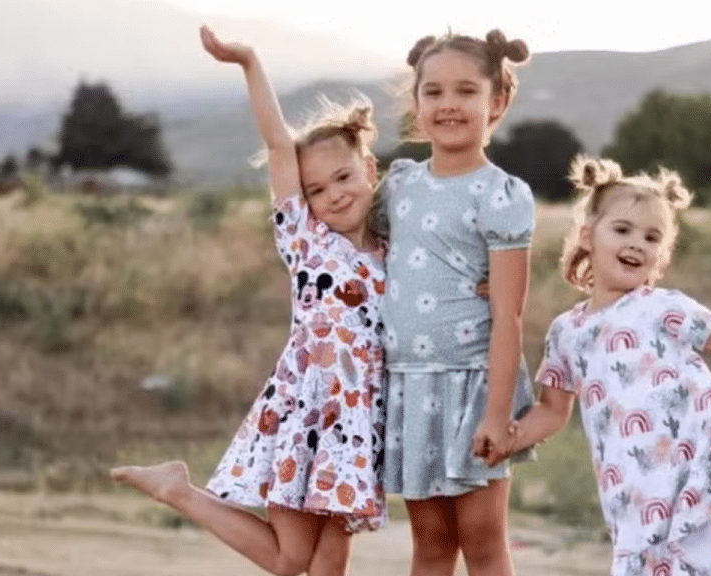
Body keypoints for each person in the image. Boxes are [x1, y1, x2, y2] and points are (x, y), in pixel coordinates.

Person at [110, 25, 387, 576]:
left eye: (343, 177)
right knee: (291, 560)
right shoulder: (306, 241)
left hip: (359, 423)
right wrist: (250, 62)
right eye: (316, 189)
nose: (334, 194)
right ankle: (178, 491)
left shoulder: (394, 253)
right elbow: (280, 146)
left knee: (328, 563)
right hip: (305, 413)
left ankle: (177, 489)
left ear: (369, 170)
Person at [490, 156, 711, 576]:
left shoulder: (661, 307)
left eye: (652, 237)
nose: (637, 244)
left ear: (661, 255)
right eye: (622, 230)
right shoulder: (566, 332)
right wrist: (512, 437)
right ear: (587, 235)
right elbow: (553, 410)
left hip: (705, 443)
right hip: (639, 488)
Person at [378, 29, 535, 576]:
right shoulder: (398, 186)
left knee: (483, 542)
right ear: (416, 102)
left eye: (467, 91)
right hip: (409, 386)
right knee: (431, 543)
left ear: (498, 101)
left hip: (473, 386)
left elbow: (509, 315)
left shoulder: (500, 194)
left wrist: (497, 414)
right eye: (434, 91)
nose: (448, 104)